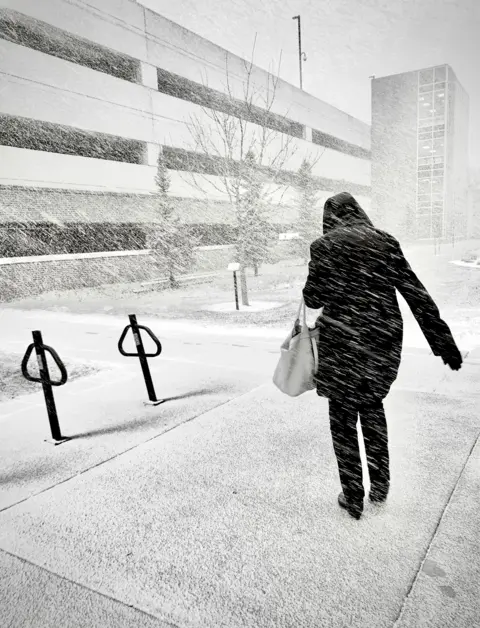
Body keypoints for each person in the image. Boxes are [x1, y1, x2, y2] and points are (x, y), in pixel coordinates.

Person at [302, 192, 463, 520]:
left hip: (341, 344)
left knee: (342, 419)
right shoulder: (384, 242)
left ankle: (353, 496)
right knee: (372, 407)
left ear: (329, 218)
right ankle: (380, 485)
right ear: (359, 212)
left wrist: (323, 281)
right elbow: (415, 293)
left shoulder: (324, 247)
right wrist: (443, 341)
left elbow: (313, 299)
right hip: (380, 342)